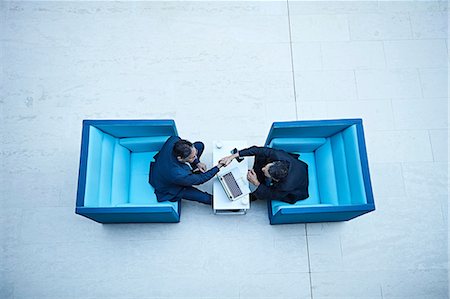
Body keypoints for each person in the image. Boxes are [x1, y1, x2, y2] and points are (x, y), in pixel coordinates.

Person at [149, 137, 225, 205]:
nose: (195, 157)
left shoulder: (174, 139)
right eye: (192, 157)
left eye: (195, 155)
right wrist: (219, 166)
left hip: (163, 165)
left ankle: (195, 168)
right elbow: (201, 179)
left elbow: (193, 153)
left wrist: (197, 163)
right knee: (204, 198)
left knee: (199, 145)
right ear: (180, 158)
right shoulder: (177, 174)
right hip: (168, 185)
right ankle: (221, 203)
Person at [219, 146, 309, 204]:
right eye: (266, 167)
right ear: (275, 162)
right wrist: (232, 156)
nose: (263, 169)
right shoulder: (278, 155)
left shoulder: (284, 186)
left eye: (265, 172)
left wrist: (256, 182)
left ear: (275, 180)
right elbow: (258, 150)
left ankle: (253, 195)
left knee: (262, 193)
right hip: (297, 166)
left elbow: (272, 194)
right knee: (261, 155)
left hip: (298, 186)